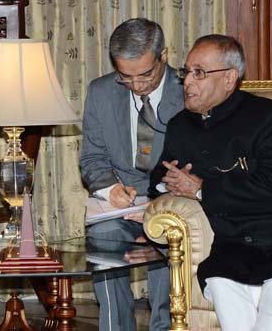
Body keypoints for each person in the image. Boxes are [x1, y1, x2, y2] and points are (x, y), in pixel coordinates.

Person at [150, 34, 272, 331]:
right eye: (186, 72)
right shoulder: (180, 126)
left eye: (199, 73)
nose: (187, 82)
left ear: (229, 78)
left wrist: (199, 188)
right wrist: (170, 184)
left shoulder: (267, 116)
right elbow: (159, 177)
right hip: (236, 242)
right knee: (221, 283)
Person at [80, 18, 183, 331]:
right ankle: (114, 326)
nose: (137, 86)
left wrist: (160, 205)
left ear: (163, 56)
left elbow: (200, 161)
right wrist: (110, 188)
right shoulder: (100, 92)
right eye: (126, 77)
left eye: (146, 75)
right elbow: (92, 158)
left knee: (168, 233)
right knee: (103, 234)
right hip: (122, 202)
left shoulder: (188, 90)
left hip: (172, 199)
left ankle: (165, 325)